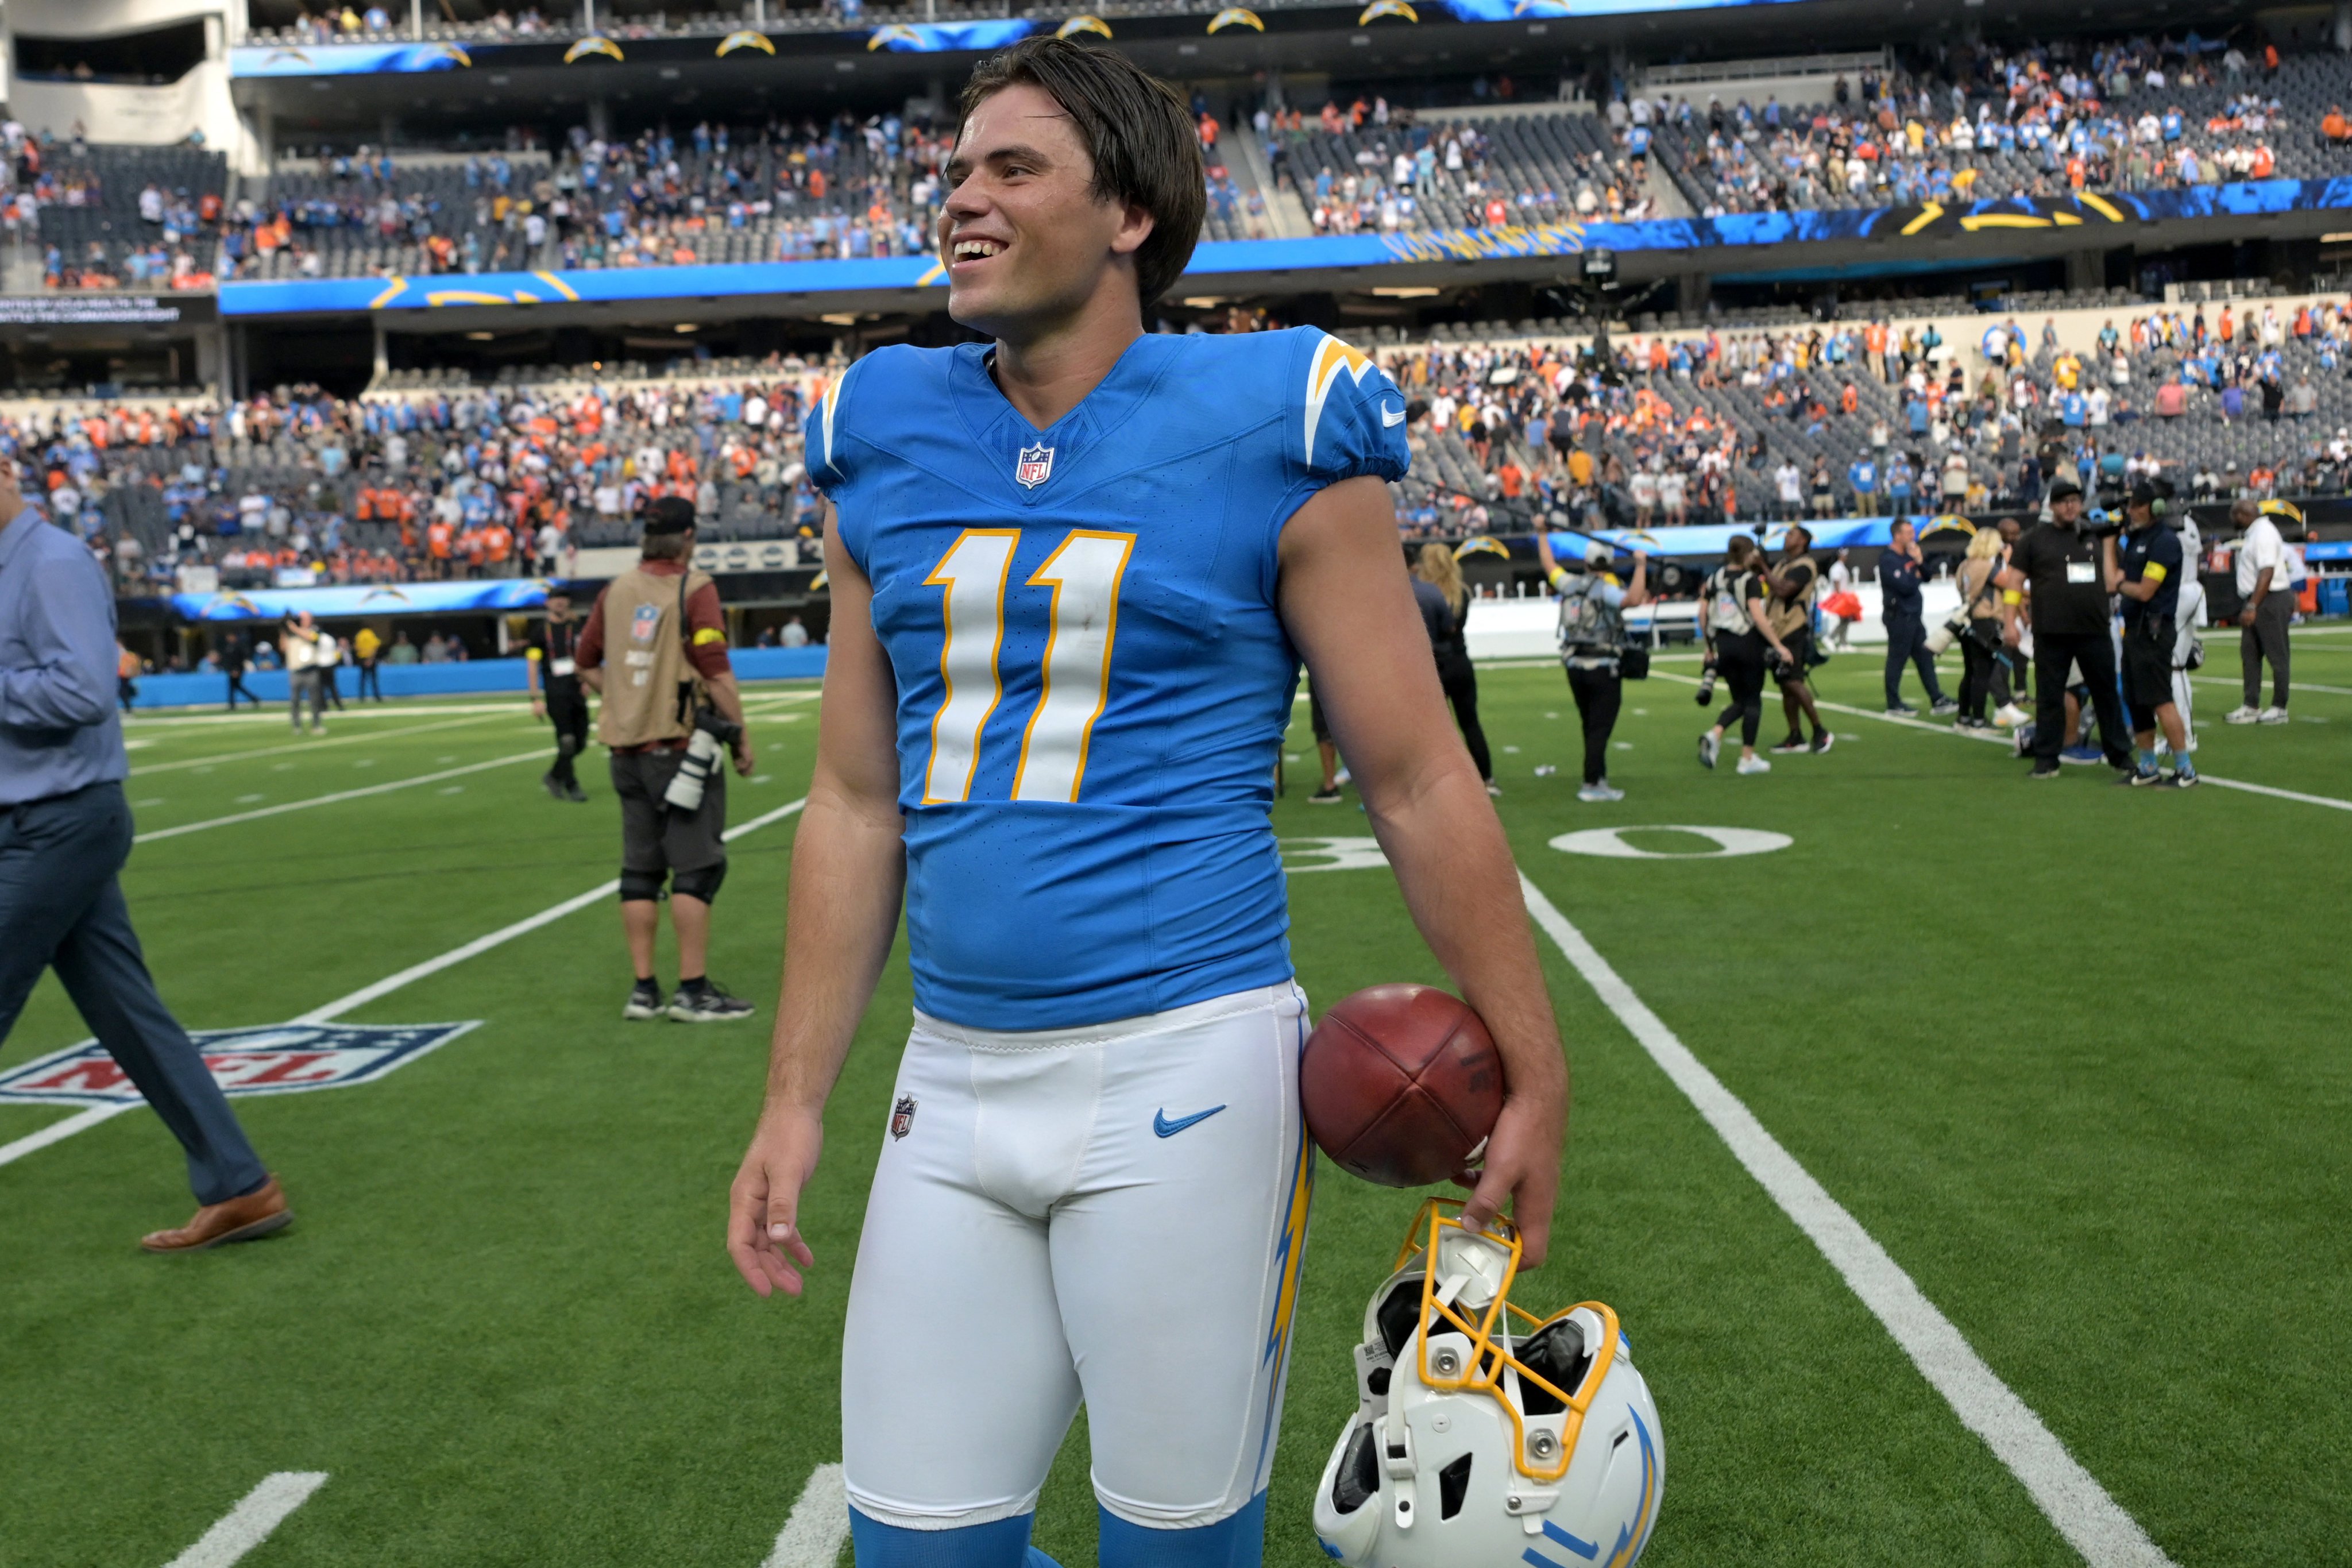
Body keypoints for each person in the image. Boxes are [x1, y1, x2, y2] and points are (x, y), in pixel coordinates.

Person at [723, 39, 1567, 1568]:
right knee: (915, 1550)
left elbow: (1412, 772)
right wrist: (791, 1099)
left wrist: (1534, 1061)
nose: (960, 197)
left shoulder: (1273, 415)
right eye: (956, 169)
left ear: (1127, 214)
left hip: (1182, 1073)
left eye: (1010, 167)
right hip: (951, 1080)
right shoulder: (882, 427)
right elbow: (852, 803)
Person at [0, 458, 290, 1252]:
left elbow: (84, 691)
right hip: (40, 819)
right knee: (129, 1014)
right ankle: (243, 1185)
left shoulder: (52, 560)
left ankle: (241, 1183)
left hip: (57, 822)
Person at [574, 497, 757, 1023]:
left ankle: (643, 989)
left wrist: (623, 699)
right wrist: (741, 734)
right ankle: (693, 991)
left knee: (640, 871)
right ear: (689, 537)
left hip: (624, 752)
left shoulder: (615, 590)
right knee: (696, 870)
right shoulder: (693, 587)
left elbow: (585, 661)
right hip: (679, 751)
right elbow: (715, 666)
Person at [1999, 480, 2133, 780]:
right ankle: (2047, 759)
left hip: (2094, 628)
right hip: (2052, 631)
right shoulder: (2034, 540)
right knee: (2049, 696)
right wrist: (2010, 622)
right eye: (2064, 501)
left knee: (2106, 694)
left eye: (2075, 500)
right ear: (2052, 506)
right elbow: (2014, 583)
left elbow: (2114, 577)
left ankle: (2120, 755)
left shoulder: (2095, 535)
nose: (2070, 506)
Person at [1535, 531, 1648, 801]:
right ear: (1608, 565)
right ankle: (1591, 783)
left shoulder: (1569, 584)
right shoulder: (1606, 590)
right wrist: (1641, 566)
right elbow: (1632, 600)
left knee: (1590, 723)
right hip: (1602, 665)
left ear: (1585, 563)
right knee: (1601, 726)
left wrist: (1541, 533)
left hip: (1574, 664)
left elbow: (1548, 563)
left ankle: (1599, 776)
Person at [2114, 482, 2196, 787]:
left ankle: (2185, 767)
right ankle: (2148, 765)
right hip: (2134, 628)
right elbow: (2118, 577)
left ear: (2154, 507)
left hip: (2153, 629)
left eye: (2136, 504)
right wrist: (2110, 542)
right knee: (2135, 699)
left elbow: (2145, 590)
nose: (2130, 510)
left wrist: (2121, 587)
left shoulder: (2163, 542)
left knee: (2160, 699)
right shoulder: (2138, 538)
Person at [1696, 535, 1791, 774]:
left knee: (1740, 699)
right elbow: (1757, 617)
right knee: (1753, 700)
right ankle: (1746, 757)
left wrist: (1709, 647)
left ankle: (1716, 735)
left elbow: (1703, 614)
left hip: (1723, 643)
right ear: (1749, 554)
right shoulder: (1750, 580)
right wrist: (1778, 645)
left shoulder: (1714, 578)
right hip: (1747, 642)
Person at [1412, 542, 1498, 795]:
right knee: (1470, 722)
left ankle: (1435, 782)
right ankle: (1486, 777)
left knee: (1432, 728)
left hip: (1433, 664)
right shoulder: (1463, 592)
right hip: (1460, 661)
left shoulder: (1421, 594)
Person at [1763, 525, 1832, 754]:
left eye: (1791, 534)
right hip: (1777, 630)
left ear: (1803, 540)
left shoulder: (1805, 565)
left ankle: (1820, 731)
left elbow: (1784, 590)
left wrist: (1762, 567)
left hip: (1793, 628)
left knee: (1794, 680)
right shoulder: (1783, 564)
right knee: (1785, 685)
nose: (1786, 537)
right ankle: (1796, 735)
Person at [2225, 497, 2292, 724]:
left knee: (2277, 655)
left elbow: (2267, 572)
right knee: (2250, 654)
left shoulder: (2263, 533)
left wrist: (2253, 605)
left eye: (2233, 515)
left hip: (2269, 599)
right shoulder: (2256, 532)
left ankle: (2280, 707)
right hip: (2259, 598)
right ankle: (2251, 705)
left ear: (2242, 514)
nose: (2232, 520)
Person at [1878, 518, 1954, 715]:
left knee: (1925, 657)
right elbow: (1905, 587)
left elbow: (1927, 576)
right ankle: (1893, 703)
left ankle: (1937, 698)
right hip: (1899, 616)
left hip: (1914, 616)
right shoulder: (1888, 559)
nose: (1913, 537)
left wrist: (1919, 561)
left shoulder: (1910, 556)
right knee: (1897, 659)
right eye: (1909, 533)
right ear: (1897, 535)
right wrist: (1916, 576)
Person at [525, 588, 591, 803]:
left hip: (577, 690)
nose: (560, 603)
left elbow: (587, 655)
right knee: (568, 741)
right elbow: (532, 664)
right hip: (555, 693)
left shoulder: (578, 626)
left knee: (581, 741)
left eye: (564, 599)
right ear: (548, 603)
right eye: (555, 599)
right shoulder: (539, 631)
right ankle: (572, 785)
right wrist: (535, 698)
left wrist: (588, 680)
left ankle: (554, 775)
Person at [1952, 528, 2011, 729]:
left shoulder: (1964, 566)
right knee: (1983, 673)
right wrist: (2009, 562)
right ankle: (1979, 719)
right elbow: (2011, 585)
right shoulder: (1987, 567)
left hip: (1966, 621)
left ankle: (1964, 717)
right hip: (1986, 622)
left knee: (1970, 671)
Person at [281, 611, 325, 734]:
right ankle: (297, 726)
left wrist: (294, 628)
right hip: (296, 670)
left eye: (306, 618)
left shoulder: (315, 630)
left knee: (314, 700)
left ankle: (316, 725)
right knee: (295, 700)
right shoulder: (291, 633)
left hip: (311, 670)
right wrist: (283, 630)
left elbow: (311, 638)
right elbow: (284, 648)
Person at [1821, 546, 1860, 649]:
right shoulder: (1837, 568)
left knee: (1846, 620)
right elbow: (1836, 581)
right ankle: (1830, 637)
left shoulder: (1841, 567)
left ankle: (1843, 642)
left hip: (1843, 596)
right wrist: (1840, 597)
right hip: (1840, 597)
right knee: (1845, 619)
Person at [221, 629, 260, 710]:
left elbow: (239, 659)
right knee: (236, 687)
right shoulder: (228, 646)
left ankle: (233, 705)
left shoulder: (238, 646)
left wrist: (236, 669)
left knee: (235, 686)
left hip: (236, 670)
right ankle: (253, 699)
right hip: (231, 670)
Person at [353, 621, 384, 700]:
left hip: (362, 659)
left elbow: (356, 647)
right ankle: (377, 697)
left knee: (363, 679)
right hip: (371, 658)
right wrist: (371, 659)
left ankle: (362, 697)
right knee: (374, 679)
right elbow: (375, 647)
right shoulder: (371, 634)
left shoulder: (359, 635)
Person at [115, 640, 140, 713]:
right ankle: (128, 708)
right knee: (123, 692)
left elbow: (133, 664)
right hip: (121, 675)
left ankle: (128, 708)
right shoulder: (121, 654)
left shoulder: (125, 655)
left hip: (124, 676)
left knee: (123, 692)